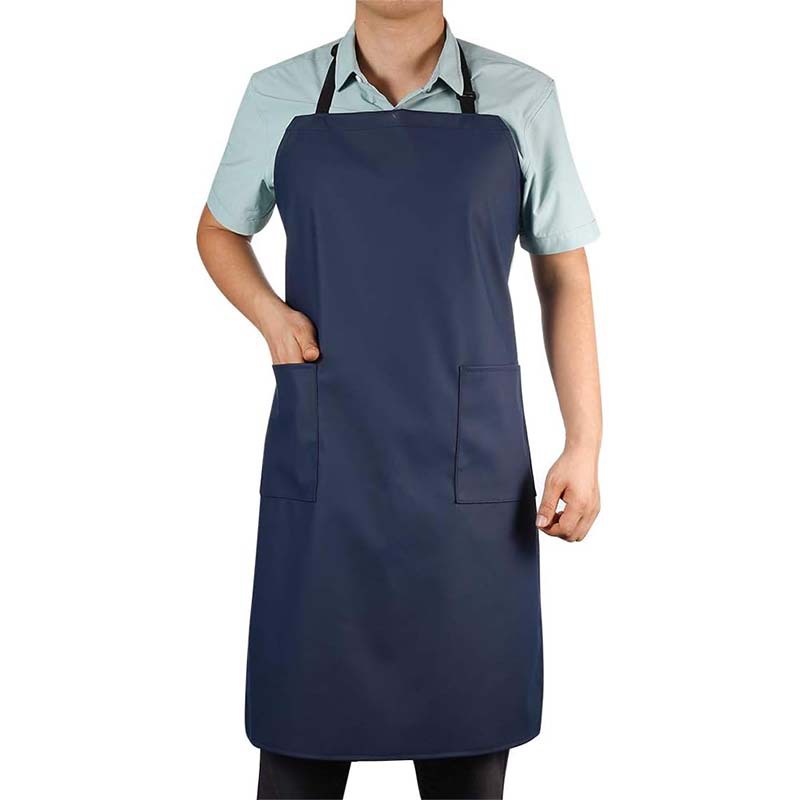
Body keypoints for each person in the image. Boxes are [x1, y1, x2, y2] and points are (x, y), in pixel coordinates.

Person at [196, 1, 602, 797]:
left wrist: (583, 443)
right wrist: (269, 316)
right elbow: (218, 231)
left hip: (467, 479)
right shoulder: (280, 94)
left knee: (467, 755)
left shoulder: (522, 97)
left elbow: (564, 273)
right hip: (328, 469)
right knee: (298, 750)